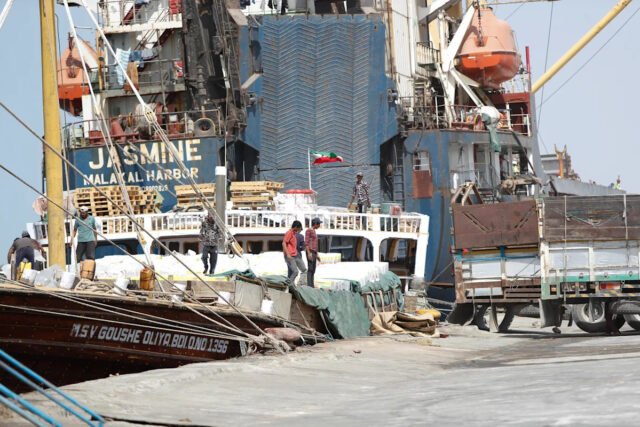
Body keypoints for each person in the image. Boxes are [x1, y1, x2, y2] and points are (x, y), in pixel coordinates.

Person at [283, 220, 304, 285]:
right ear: (296, 227)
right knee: (295, 272)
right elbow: (284, 243)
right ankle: (288, 284)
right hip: (290, 256)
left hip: (294, 255)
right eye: (299, 228)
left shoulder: (293, 233)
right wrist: (287, 254)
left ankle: (290, 285)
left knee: (292, 272)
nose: (299, 230)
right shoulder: (289, 233)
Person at [305, 218, 322, 288]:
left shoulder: (314, 231)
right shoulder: (309, 230)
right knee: (310, 269)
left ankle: (311, 284)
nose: (319, 225)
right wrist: (309, 253)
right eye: (319, 224)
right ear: (315, 224)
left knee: (313, 269)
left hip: (314, 252)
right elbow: (306, 243)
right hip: (310, 251)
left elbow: (315, 244)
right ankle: (309, 285)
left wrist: (317, 254)